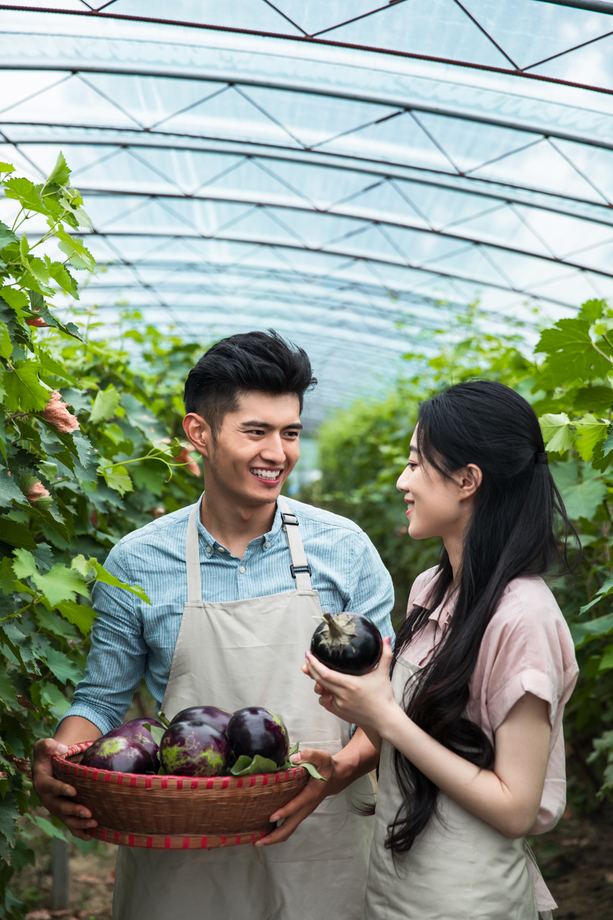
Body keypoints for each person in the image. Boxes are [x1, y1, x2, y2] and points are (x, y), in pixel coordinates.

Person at [32, 330, 394, 920]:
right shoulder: (138, 560)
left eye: (291, 432)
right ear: (199, 432)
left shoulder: (344, 549)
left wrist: (337, 773)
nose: (278, 452)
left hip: (321, 841)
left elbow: (387, 698)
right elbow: (101, 699)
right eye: (256, 431)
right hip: (180, 846)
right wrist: (65, 763)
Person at [305, 379, 579, 920]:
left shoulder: (523, 615)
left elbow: (516, 807)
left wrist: (386, 715)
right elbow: (434, 735)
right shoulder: (432, 589)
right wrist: (362, 718)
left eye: (414, 464)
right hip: (397, 878)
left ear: (467, 480)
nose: (403, 481)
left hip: (467, 897)